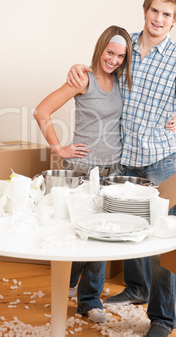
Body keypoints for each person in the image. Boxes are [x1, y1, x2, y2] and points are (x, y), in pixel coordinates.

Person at [66, 0, 176, 337]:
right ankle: (98, 296)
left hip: (160, 158)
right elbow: (101, 73)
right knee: (107, 228)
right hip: (121, 157)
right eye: (154, 11)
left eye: (167, 14)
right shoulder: (125, 47)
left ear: (175, 20)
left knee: (162, 237)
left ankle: (162, 319)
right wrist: (78, 69)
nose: (159, 19)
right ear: (145, 9)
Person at [33, 25, 134, 324]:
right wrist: (59, 148)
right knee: (79, 234)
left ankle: (85, 297)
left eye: (120, 56)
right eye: (110, 53)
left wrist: (172, 120)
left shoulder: (122, 82)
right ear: (101, 48)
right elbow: (42, 111)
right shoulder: (83, 79)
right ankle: (80, 292)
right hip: (81, 171)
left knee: (102, 236)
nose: (114, 60)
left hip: (112, 171)